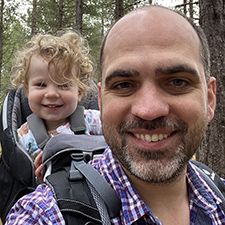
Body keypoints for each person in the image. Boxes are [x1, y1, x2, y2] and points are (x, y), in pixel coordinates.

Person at [6, 5, 224, 225]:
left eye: (178, 82)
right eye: (123, 85)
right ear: (101, 100)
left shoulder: (219, 195)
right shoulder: (43, 214)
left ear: (210, 99)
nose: (148, 111)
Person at [10, 31, 102, 161]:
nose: (52, 94)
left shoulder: (93, 121)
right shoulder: (22, 137)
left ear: (79, 92)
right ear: (27, 91)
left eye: (63, 85)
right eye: (41, 85)